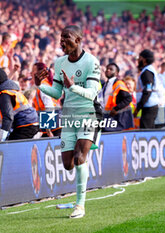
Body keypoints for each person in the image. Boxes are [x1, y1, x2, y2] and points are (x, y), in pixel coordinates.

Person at [35, 25, 102, 218]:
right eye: (61, 39)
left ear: (79, 40)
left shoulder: (91, 62)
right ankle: (82, 182)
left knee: (80, 156)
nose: (62, 42)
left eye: (66, 38)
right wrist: (40, 85)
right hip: (70, 115)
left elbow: (91, 93)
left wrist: (72, 87)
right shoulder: (60, 62)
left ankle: (80, 205)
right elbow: (56, 93)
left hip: (89, 113)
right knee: (68, 164)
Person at [0, 68, 39, 140]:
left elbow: (8, 117)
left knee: (9, 146)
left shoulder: (4, 94)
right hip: (32, 122)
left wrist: (1, 138)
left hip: (25, 124)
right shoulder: (12, 90)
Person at [100, 63, 133, 131]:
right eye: (107, 69)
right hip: (105, 115)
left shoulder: (119, 83)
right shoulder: (104, 84)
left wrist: (116, 109)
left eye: (111, 69)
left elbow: (128, 98)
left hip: (115, 117)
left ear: (116, 73)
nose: (108, 70)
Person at [134, 49, 160, 129]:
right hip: (151, 105)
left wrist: (138, 107)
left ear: (144, 59)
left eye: (140, 58)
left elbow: (148, 90)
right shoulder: (149, 70)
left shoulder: (147, 72)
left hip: (149, 105)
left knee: (145, 130)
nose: (138, 60)